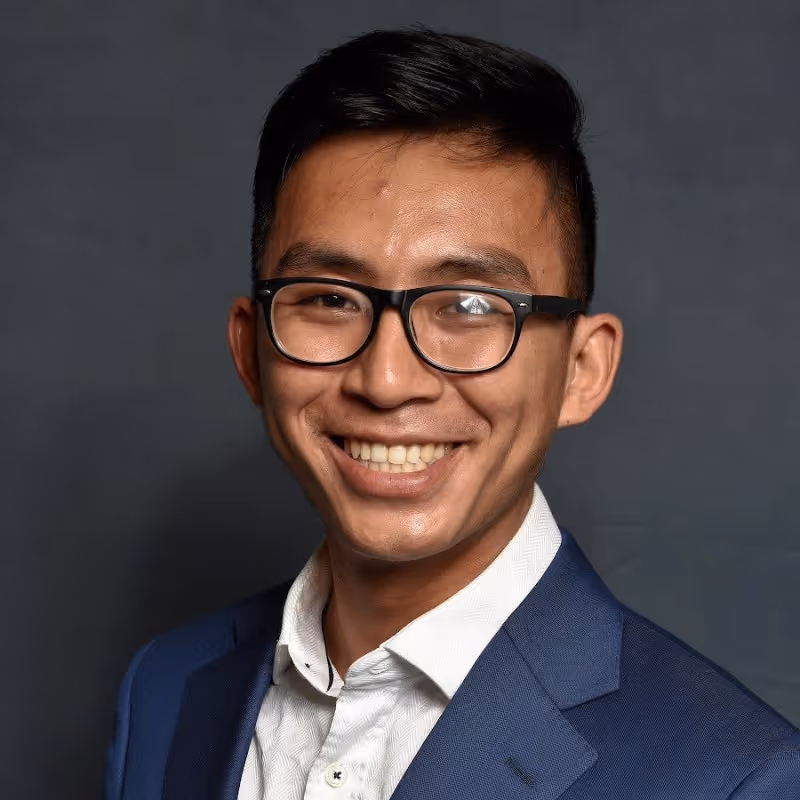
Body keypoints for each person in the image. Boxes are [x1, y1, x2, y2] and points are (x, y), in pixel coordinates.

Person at [104, 27, 800, 800]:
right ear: (250, 353)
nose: (388, 378)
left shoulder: (740, 777)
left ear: (582, 368)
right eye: (331, 299)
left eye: (470, 304)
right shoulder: (166, 687)